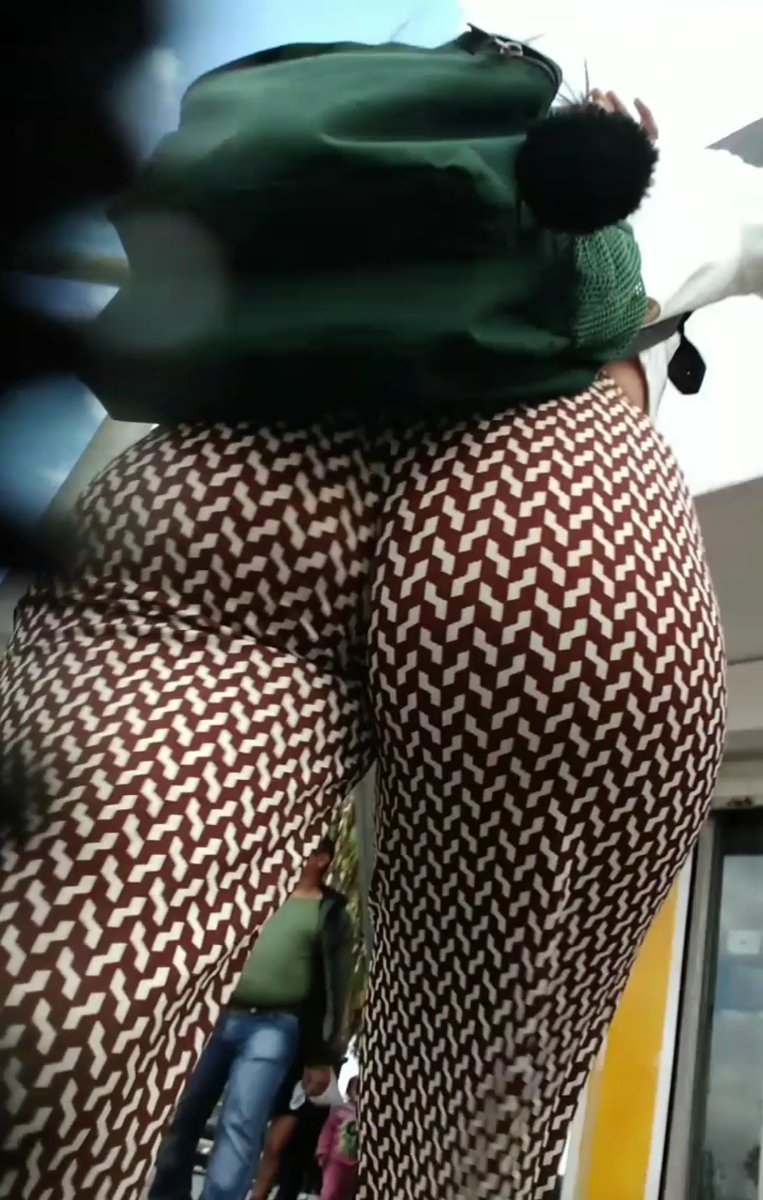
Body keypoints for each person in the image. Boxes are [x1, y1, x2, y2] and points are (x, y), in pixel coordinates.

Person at [0, 29, 744, 1200]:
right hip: (548, 490)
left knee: (42, 1034)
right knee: (469, 1127)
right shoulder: (666, 181)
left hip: (216, 479)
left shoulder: (291, 178)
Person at [148, 839, 352, 1200]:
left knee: (242, 1119)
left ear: (321, 859)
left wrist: (323, 1056)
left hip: (274, 1026)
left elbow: (338, 986)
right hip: (214, 1016)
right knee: (183, 1109)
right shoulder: (254, 890)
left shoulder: (330, 913)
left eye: (304, 847)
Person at [316, 1078, 359, 1200]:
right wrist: (322, 1151)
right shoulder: (339, 1111)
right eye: (356, 1089)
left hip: (354, 1164)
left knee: (346, 1193)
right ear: (349, 1091)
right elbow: (327, 1131)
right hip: (335, 1160)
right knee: (330, 1191)